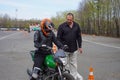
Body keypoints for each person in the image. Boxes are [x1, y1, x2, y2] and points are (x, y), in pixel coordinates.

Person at [57, 13, 83, 80]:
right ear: (66, 19)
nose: (69, 21)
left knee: (73, 64)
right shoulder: (61, 26)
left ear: (73, 19)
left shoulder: (76, 26)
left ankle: (73, 77)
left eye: (70, 20)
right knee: (64, 64)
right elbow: (58, 38)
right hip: (64, 50)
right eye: (67, 19)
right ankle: (64, 77)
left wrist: (80, 46)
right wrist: (60, 48)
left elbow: (79, 37)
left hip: (74, 49)